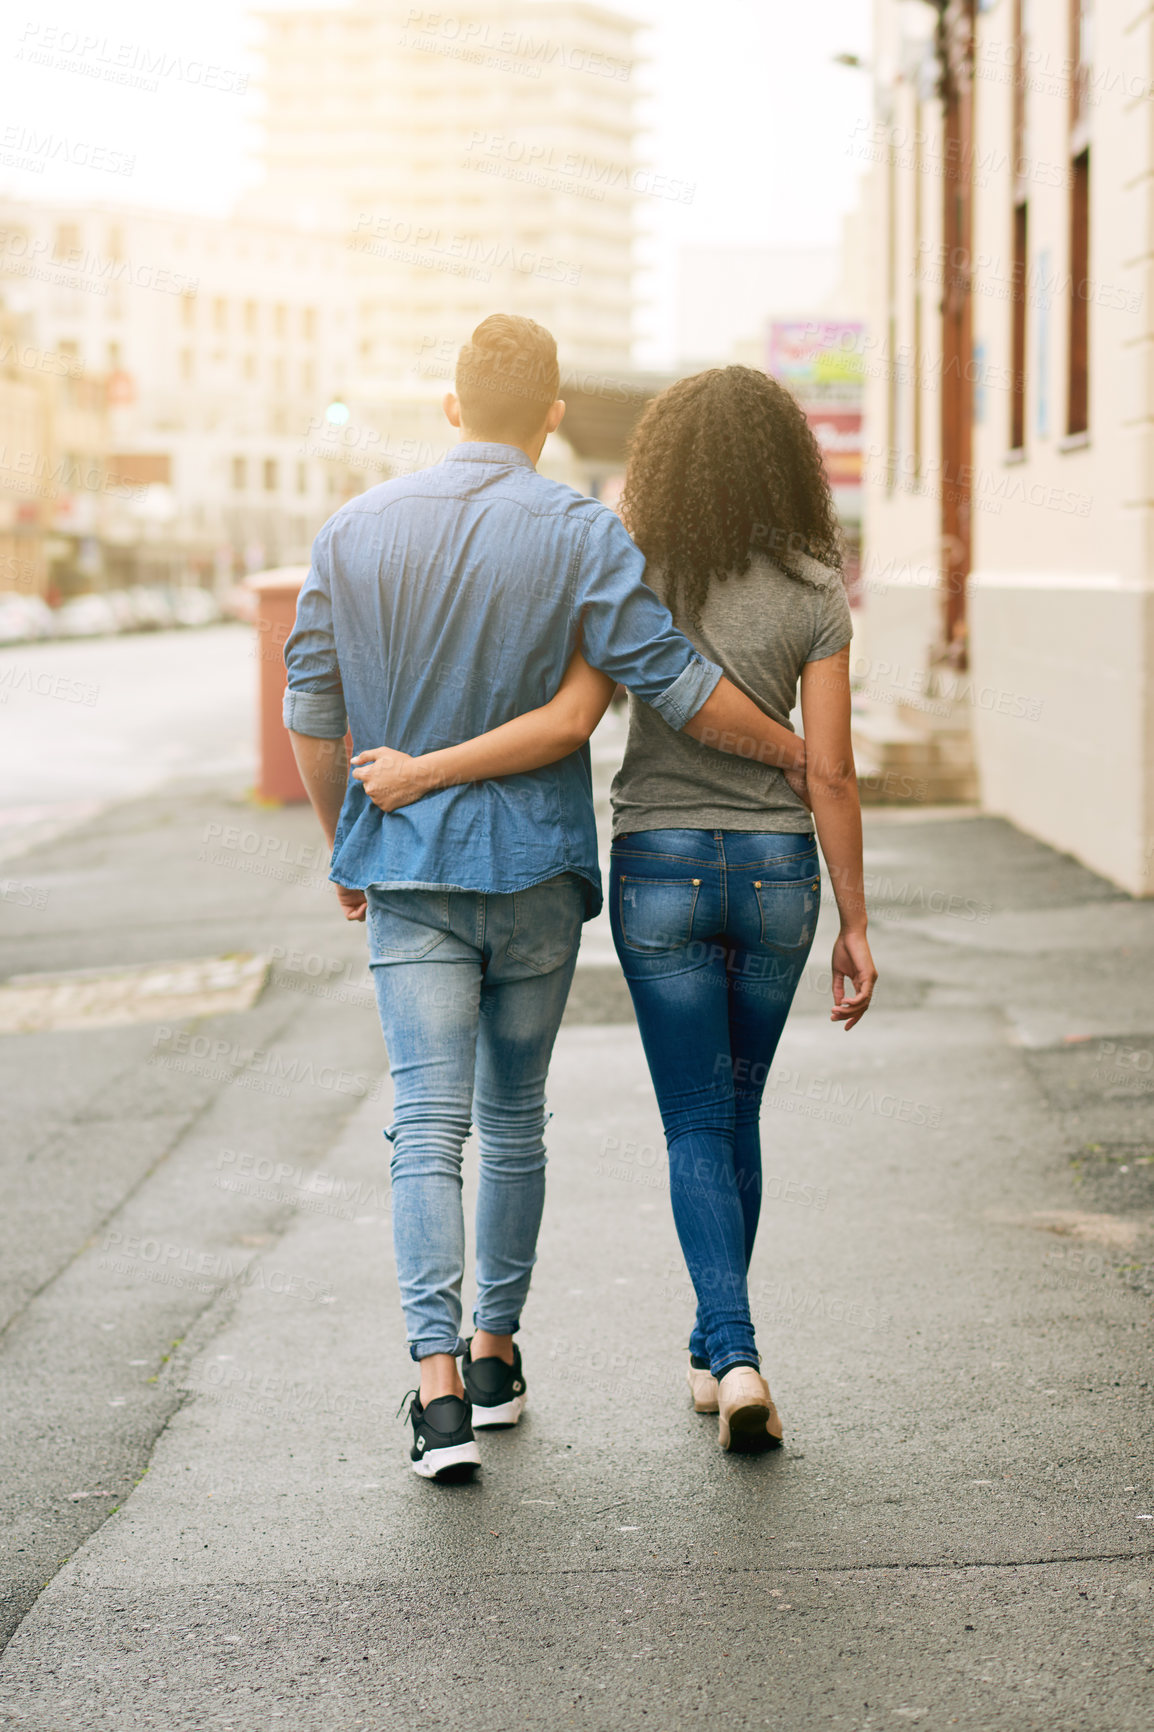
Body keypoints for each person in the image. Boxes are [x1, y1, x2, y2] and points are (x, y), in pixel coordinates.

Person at [284, 320, 810, 1480]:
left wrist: (345, 845)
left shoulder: (353, 529)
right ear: (556, 413)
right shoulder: (577, 530)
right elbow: (670, 679)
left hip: (409, 867)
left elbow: (311, 716)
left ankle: (434, 1399)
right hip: (535, 872)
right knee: (513, 1119)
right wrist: (795, 754)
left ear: (450, 404)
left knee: (427, 1124)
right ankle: (495, 1355)